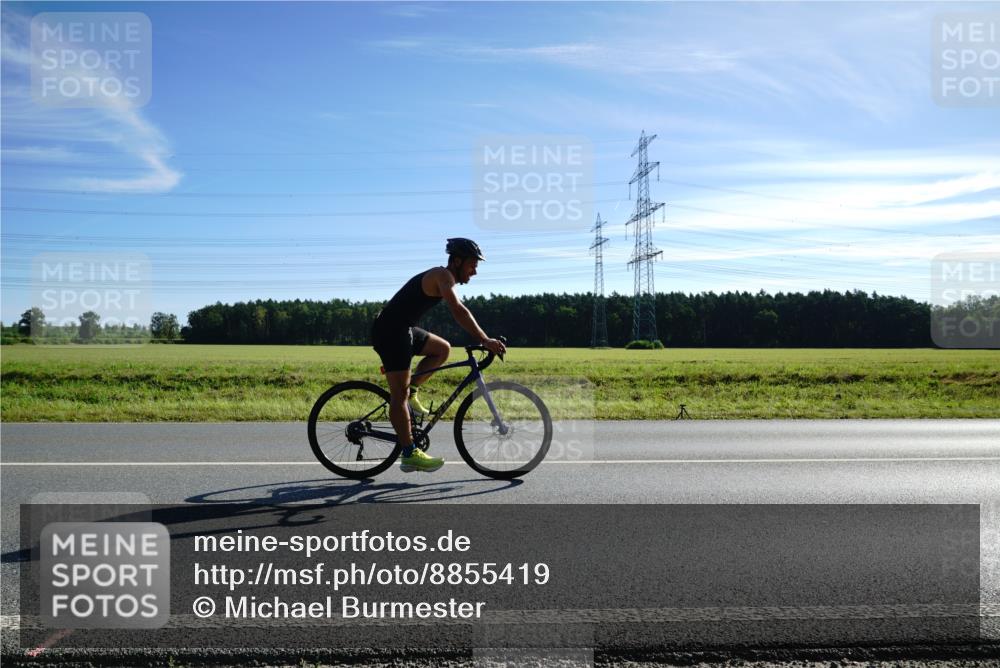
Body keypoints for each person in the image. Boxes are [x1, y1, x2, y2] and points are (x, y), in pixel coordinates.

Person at [370, 238, 507, 473]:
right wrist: (484, 339)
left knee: (442, 349)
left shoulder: (445, 276)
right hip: (391, 331)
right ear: (456, 261)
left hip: (404, 328)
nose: (474, 271)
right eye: (472, 265)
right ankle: (409, 453)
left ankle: (412, 391)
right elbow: (458, 309)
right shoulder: (443, 276)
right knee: (398, 395)